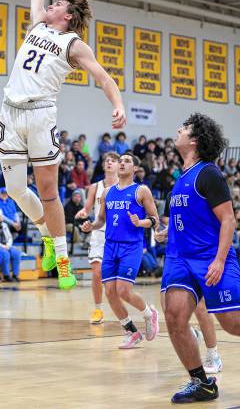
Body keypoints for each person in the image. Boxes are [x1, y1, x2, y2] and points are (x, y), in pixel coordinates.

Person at [0, 0, 125, 290]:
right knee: (15, 190)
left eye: (57, 5)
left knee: (49, 191)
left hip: (40, 115)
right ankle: (46, 236)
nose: (50, 5)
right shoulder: (38, 23)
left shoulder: (75, 44)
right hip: (10, 112)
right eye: (52, 3)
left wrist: (118, 103)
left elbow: (103, 77)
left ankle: (63, 262)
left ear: (67, 16)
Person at [161, 113, 240, 404]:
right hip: (181, 260)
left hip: (210, 258)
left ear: (193, 140)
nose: (178, 131)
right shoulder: (181, 177)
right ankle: (202, 383)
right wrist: (166, 231)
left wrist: (219, 261)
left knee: (233, 323)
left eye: (183, 128)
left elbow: (229, 220)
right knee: (174, 317)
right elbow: (189, 220)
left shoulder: (208, 173)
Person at [81, 153, 159, 348]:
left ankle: (150, 314)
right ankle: (132, 332)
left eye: (127, 161)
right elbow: (101, 220)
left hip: (130, 246)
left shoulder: (141, 191)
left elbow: (155, 219)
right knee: (110, 292)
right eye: (121, 161)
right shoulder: (107, 192)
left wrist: (140, 222)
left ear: (134, 169)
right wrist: (92, 225)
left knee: (123, 290)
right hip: (110, 245)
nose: (122, 163)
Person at [156, 192, 223, 375]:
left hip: (195, 254)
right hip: (174, 256)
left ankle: (213, 355)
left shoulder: (201, 192)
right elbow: (172, 224)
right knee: (167, 307)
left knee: (200, 308)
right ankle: (192, 335)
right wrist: (164, 233)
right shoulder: (173, 194)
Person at [75, 151, 119, 324]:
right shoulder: (95, 187)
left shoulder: (126, 187)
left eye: (113, 161)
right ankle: (98, 309)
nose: (109, 163)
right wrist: (84, 212)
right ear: (103, 165)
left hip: (118, 236)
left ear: (118, 165)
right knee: (96, 273)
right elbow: (88, 208)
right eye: (107, 160)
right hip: (99, 234)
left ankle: (120, 309)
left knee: (117, 282)